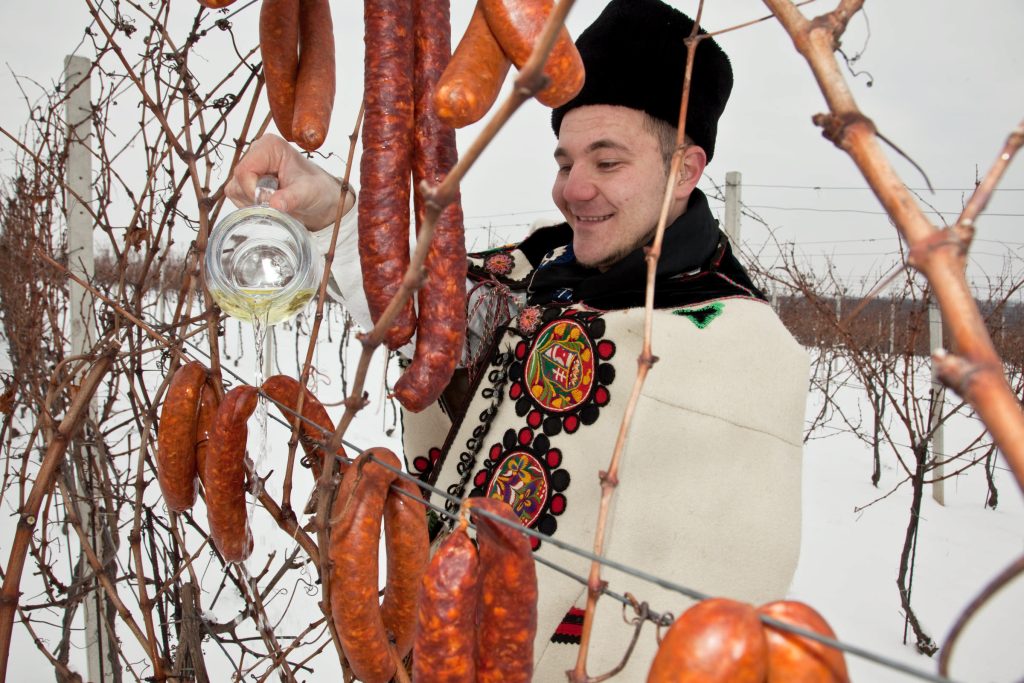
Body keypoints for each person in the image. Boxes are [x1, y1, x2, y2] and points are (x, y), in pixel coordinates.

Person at [227, 0, 808, 677]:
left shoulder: (742, 350)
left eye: (607, 160)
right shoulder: (542, 271)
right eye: (565, 159)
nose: (574, 188)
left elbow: (719, 617)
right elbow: (435, 314)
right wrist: (326, 206)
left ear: (685, 168)